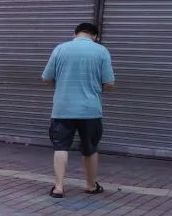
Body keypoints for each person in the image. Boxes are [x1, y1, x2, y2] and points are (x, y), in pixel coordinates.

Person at [41, 23, 116, 198]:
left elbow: (46, 79)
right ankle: (90, 185)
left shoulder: (60, 49)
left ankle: (59, 187)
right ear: (95, 36)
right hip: (90, 110)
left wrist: (61, 85)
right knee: (90, 148)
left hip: (63, 108)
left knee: (60, 147)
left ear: (74, 34)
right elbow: (110, 83)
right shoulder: (101, 51)